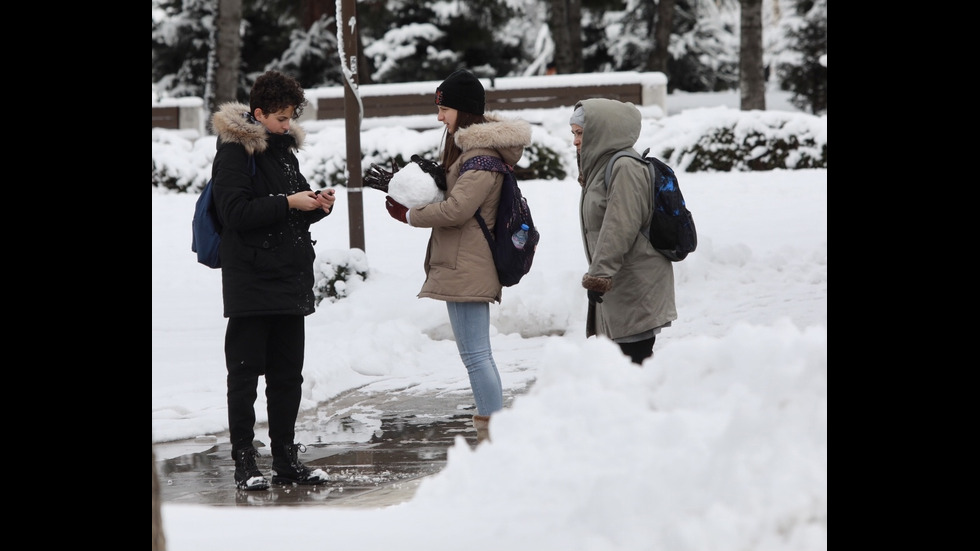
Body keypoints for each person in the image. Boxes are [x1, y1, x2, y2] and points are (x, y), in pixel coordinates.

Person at [373, 68, 532, 443]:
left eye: (444, 108)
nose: (440, 116)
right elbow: (453, 196)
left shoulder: (480, 158)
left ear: (463, 109)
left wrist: (409, 215)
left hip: (468, 265)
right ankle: (493, 432)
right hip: (464, 262)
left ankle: (494, 436)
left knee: (476, 356)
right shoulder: (471, 153)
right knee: (476, 355)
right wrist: (415, 183)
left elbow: (456, 210)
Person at [210, 70, 337, 490]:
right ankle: (245, 462)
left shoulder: (283, 151)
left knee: (288, 376)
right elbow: (236, 214)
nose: (288, 126)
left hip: (287, 277)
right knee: (244, 376)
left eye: (291, 118)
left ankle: (285, 458)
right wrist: (287, 202)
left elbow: (294, 204)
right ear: (259, 113)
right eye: (281, 119)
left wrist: (317, 205)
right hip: (250, 279)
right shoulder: (234, 151)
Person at [570, 98, 677, 365]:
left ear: (601, 131)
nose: (575, 141)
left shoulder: (624, 167)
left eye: (580, 133)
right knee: (624, 369)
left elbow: (620, 227)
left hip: (635, 285)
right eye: (573, 133)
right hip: (619, 286)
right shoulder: (601, 167)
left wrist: (599, 275)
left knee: (633, 367)